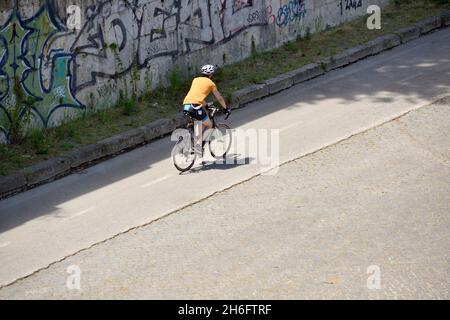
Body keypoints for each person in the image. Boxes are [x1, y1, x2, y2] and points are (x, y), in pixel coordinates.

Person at [182, 64, 230, 154]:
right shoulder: (211, 83)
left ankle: (195, 144)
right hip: (195, 106)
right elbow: (219, 98)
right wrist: (226, 108)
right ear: (211, 75)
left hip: (186, 105)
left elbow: (197, 95)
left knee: (199, 123)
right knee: (209, 125)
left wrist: (206, 104)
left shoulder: (195, 80)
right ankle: (197, 147)